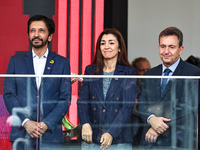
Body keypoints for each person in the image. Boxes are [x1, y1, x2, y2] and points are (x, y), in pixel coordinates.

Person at [3, 15, 71, 150]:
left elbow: (65, 98)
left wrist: (47, 123)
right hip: (22, 133)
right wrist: (26, 122)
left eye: (41, 30)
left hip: (50, 134)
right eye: (32, 30)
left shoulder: (62, 63)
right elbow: (9, 94)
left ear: (50, 36)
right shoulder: (16, 61)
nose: (36, 34)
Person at [137, 27, 200, 149]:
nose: (166, 51)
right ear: (158, 47)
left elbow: (188, 107)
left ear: (180, 49)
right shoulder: (150, 73)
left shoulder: (193, 72)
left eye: (171, 47)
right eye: (163, 46)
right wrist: (151, 119)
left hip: (178, 142)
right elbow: (142, 104)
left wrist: (157, 127)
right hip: (150, 143)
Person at [77, 28, 136, 150]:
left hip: (119, 140)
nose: (106, 46)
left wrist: (111, 132)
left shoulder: (128, 71)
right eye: (102, 43)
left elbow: (127, 106)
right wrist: (85, 123)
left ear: (120, 48)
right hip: (92, 137)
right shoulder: (91, 70)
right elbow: (83, 100)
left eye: (111, 43)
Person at [131, 57, 151, 146]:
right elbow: (130, 107)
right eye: (142, 70)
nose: (146, 73)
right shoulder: (130, 87)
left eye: (148, 70)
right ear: (135, 72)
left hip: (149, 132)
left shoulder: (154, 87)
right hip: (132, 131)